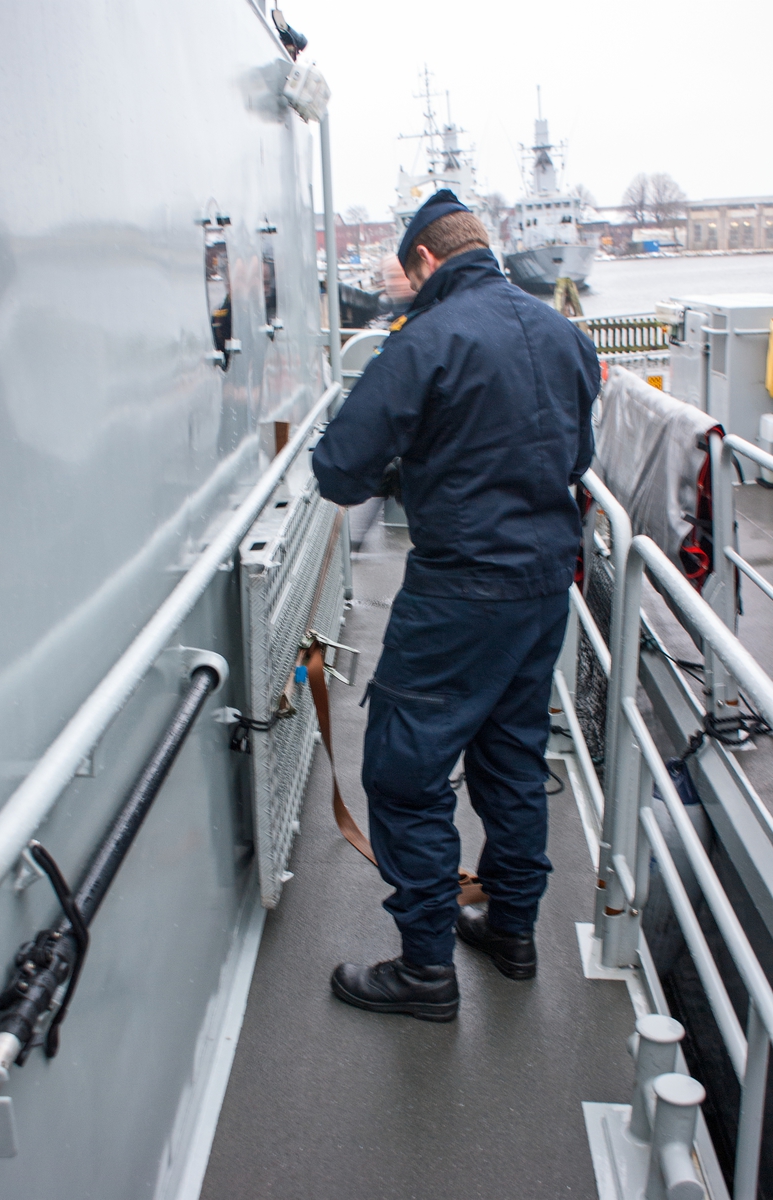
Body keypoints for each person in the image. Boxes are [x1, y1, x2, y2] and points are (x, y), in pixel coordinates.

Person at [312, 189, 601, 1023]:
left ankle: (425, 971)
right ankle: (511, 932)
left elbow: (339, 471)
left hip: (458, 595)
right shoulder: (563, 334)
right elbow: (574, 455)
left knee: (404, 774)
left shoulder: (423, 340)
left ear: (426, 260)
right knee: (510, 761)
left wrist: (410, 464)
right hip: (543, 586)